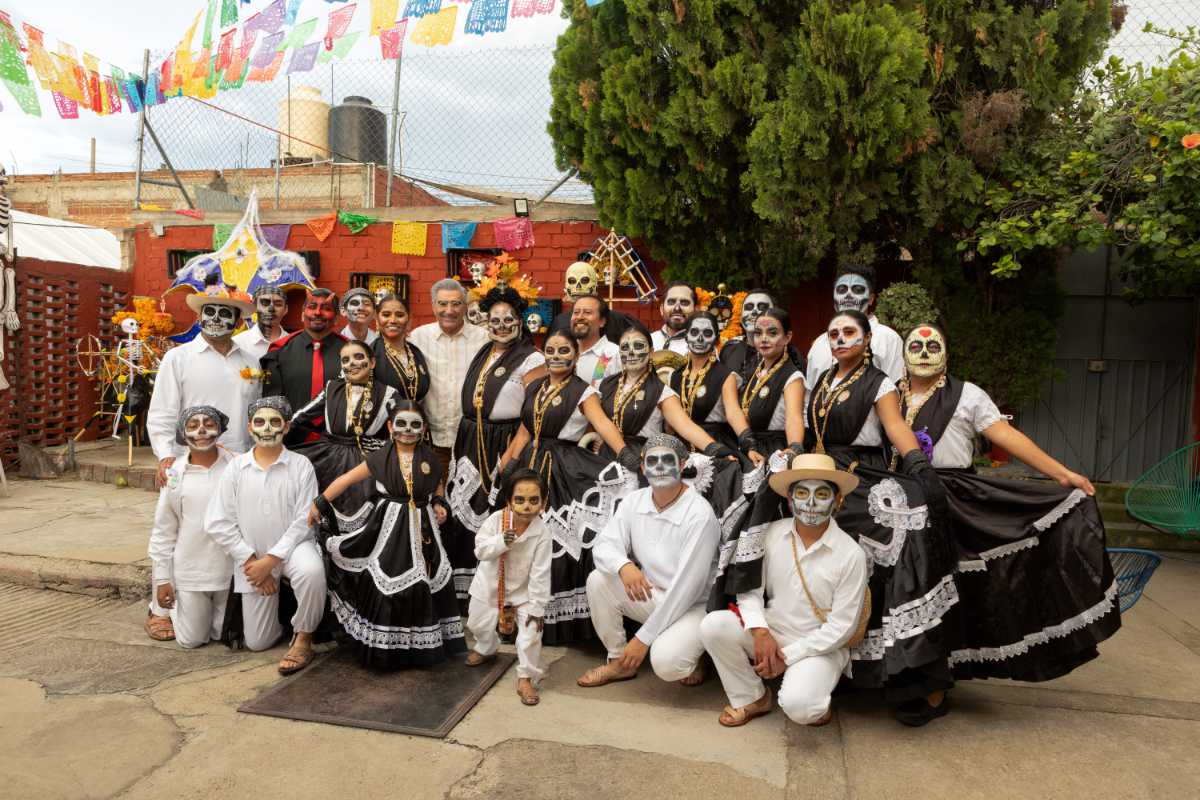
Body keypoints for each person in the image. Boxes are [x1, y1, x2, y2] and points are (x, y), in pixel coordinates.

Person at [897, 322, 1119, 682]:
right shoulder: (889, 394)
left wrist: (1062, 474)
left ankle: (939, 675)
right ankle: (903, 669)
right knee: (905, 586)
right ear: (903, 354)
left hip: (952, 500)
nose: (923, 354)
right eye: (916, 347)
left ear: (947, 354)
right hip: (900, 500)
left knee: (951, 586)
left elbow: (1007, 436)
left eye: (932, 347)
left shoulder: (967, 395)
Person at [701, 453, 867, 727]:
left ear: (838, 500)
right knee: (713, 625)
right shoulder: (770, 534)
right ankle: (751, 697)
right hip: (772, 632)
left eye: (821, 494)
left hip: (821, 646)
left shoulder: (851, 554)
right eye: (801, 493)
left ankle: (813, 700)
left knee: (800, 708)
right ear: (789, 500)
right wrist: (760, 631)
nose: (810, 503)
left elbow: (842, 627)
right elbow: (750, 590)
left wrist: (787, 657)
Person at [496, 330, 638, 644]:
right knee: (519, 542)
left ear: (575, 355)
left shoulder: (584, 392)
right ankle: (516, 618)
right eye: (551, 350)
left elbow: (603, 424)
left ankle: (551, 624)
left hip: (563, 470)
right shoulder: (535, 386)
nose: (556, 356)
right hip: (529, 467)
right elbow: (525, 431)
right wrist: (507, 463)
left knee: (554, 545)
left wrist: (626, 455)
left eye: (564, 351)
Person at [308, 401, 466, 668]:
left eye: (415, 425)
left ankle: (419, 650)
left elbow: (437, 485)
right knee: (387, 580)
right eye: (401, 424)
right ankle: (388, 651)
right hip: (389, 527)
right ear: (391, 427)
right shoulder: (380, 458)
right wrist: (319, 503)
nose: (408, 430)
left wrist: (440, 503)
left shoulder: (429, 458)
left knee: (426, 579)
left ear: (423, 429)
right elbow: (345, 480)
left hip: (423, 527)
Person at [144, 282, 259, 641]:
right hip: (188, 461)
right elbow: (161, 413)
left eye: (226, 313)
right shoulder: (178, 358)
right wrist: (165, 454)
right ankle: (159, 607)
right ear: (198, 315)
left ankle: (218, 607)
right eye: (210, 311)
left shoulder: (250, 361)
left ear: (238, 320)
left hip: (236, 464)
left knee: (226, 534)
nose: (217, 319)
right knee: (177, 530)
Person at [576, 434, 721, 688]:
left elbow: (686, 590)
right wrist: (624, 566)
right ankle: (619, 662)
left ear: (682, 464)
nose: (660, 467)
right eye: (652, 461)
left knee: (667, 663)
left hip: (693, 606)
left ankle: (698, 653)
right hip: (655, 595)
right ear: (643, 468)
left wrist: (642, 639)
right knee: (599, 580)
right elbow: (604, 545)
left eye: (668, 460)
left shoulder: (699, 514)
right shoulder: (635, 500)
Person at [205, 397, 325, 675]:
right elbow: (218, 521)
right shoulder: (236, 468)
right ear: (250, 428)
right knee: (258, 643)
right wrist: (251, 562)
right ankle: (283, 620)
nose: (267, 428)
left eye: (275, 422)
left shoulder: (301, 465)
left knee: (312, 572)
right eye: (260, 422)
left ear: (287, 427)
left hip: (294, 549)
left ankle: (304, 637)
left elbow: (304, 520)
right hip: (252, 556)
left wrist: (271, 561)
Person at [446, 287, 546, 602]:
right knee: (462, 512)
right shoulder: (485, 351)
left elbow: (533, 414)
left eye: (508, 320)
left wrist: (511, 454)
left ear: (520, 321)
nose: (501, 326)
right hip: (470, 439)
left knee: (494, 513)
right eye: (495, 320)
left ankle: (497, 595)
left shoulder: (532, 357)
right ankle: (465, 593)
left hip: (503, 441)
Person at [147, 406, 235, 648]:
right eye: (193, 426)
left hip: (230, 572)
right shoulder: (174, 474)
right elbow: (164, 530)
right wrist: (163, 579)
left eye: (209, 424)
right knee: (192, 639)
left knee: (222, 634)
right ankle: (173, 610)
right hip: (191, 572)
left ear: (220, 429)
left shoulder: (237, 465)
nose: (202, 431)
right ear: (183, 434)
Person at [465, 468, 552, 706]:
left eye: (534, 500)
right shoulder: (496, 521)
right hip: (489, 588)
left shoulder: (543, 533)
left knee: (531, 636)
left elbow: (541, 574)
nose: (527, 506)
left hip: (524, 594)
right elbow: (480, 551)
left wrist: (537, 609)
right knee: (476, 624)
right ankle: (487, 647)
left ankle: (526, 678)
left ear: (543, 503)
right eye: (520, 500)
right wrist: (501, 541)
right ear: (509, 501)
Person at [290, 339, 399, 513]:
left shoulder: (389, 394)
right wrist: (281, 430)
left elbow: (400, 431)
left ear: (372, 363)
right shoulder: (332, 388)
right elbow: (301, 416)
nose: (352, 363)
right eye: (346, 360)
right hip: (328, 456)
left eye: (358, 357)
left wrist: (382, 447)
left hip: (364, 460)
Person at [596, 322, 733, 461]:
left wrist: (716, 449)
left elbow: (686, 426)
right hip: (605, 458)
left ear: (651, 352)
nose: (631, 352)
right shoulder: (607, 385)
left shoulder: (662, 392)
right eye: (625, 347)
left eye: (638, 346)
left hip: (641, 461)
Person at [409, 278, 490, 476]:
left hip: (472, 440)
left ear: (465, 306)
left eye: (456, 303)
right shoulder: (418, 338)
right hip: (431, 440)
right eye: (443, 304)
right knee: (434, 491)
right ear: (433, 306)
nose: (449, 310)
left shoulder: (484, 338)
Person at [260, 288, 347, 443]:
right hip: (290, 440)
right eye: (312, 307)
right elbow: (272, 404)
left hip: (338, 443)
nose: (318, 313)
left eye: (326, 308)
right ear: (302, 314)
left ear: (336, 318)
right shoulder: (279, 351)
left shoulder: (352, 352)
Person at [726, 308, 806, 465]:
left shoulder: (793, 377)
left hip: (774, 451)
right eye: (758, 333)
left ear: (787, 337)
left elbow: (794, 417)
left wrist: (793, 448)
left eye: (772, 333)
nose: (763, 339)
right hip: (750, 447)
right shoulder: (757, 370)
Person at [805, 266, 904, 387]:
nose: (848, 295)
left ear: (871, 299)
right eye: (842, 290)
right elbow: (810, 394)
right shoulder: (819, 343)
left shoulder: (888, 339)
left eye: (857, 290)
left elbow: (897, 388)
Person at [668, 310, 741, 454]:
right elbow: (669, 425)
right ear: (686, 336)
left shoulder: (726, 375)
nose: (700, 339)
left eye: (707, 333)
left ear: (716, 339)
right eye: (694, 332)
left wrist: (748, 440)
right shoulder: (674, 376)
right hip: (680, 449)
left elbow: (733, 413)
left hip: (716, 446)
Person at [371, 293, 430, 404]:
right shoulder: (371, 354)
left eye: (400, 315)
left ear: (409, 318)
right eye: (386, 315)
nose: (393, 320)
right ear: (377, 318)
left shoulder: (415, 352)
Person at [569, 294, 622, 388]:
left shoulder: (614, 354)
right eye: (576, 312)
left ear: (602, 321)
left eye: (587, 312)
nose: (579, 317)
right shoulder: (562, 352)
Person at [718, 289, 775, 377]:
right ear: (741, 317)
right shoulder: (730, 348)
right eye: (749, 307)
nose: (754, 311)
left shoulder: (785, 352)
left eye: (762, 307)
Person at [233, 285, 290, 362]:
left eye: (278, 304)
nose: (271, 309)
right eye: (265, 303)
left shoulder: (293, 344)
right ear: (254, 306)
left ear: (285, 309)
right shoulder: (238, 343)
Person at [650, 282, 696, 355]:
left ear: (696, 310)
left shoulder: (701, 346)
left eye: (684, 303)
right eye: (671, 302)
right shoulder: (649, 341)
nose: (677, 308)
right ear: (661, 309)